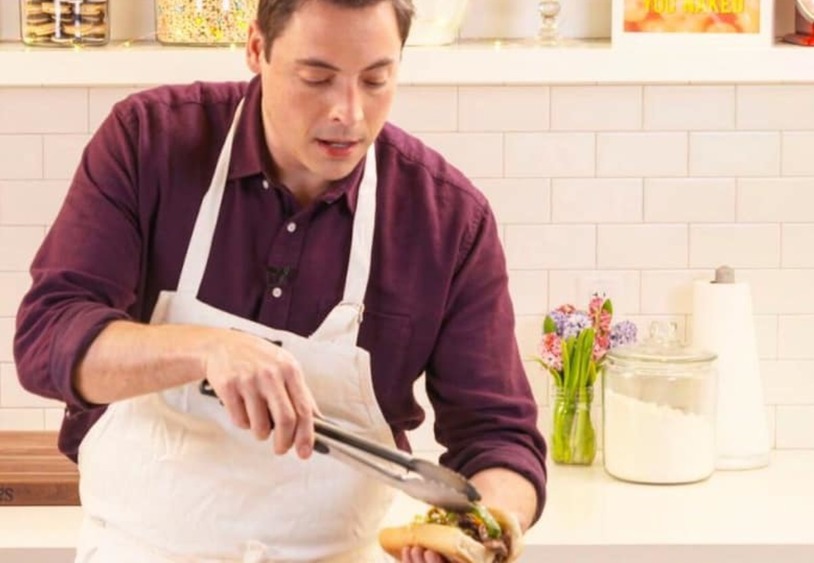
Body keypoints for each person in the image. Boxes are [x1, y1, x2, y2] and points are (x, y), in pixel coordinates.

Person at [13, 0, 547, 561]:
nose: (350, 113)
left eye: (376, 80)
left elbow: (499, 439)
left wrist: (487, 529)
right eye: (316, 78)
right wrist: (207, 350)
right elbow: (48, 338)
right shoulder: (149, 140)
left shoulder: (447, 219)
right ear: (256, 49)